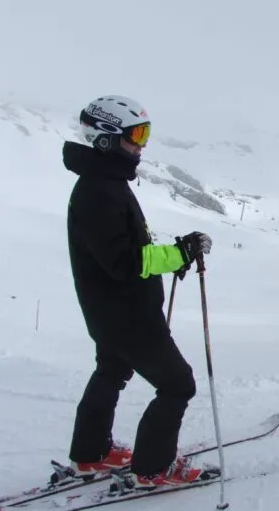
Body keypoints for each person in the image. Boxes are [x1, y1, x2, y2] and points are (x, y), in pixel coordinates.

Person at [63, 95, 213, 488]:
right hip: (128, 314)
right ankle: (153, 468)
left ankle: (91, 453)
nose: (142, 144)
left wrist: (172, 257)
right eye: (137, 135)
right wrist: (178, 253)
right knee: (178, 384)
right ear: (107, 139)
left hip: (110, 312)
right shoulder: (99, 192)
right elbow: (126, 262)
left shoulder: (104, 184)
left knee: (112, 369)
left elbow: (125, 251)